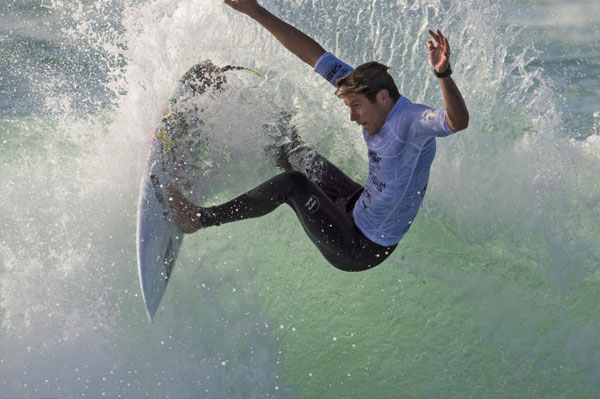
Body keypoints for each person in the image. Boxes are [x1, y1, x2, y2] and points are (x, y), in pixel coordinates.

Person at [166, 0, 469, 272]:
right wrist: (253, 9)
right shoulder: (364, 89)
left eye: (357, 108)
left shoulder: (412, 122)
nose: (352, 117)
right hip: (357, 205)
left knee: (293, 184)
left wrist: (443, 74)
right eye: (349, 107)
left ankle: (199, 219)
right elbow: (313, 55)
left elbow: (457, 121)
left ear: (384, 98)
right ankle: (216, 110)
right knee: (294, 150)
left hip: (359, 246)